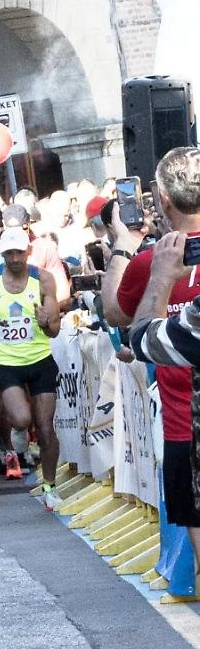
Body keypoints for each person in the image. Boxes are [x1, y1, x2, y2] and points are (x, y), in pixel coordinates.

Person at [106, 147, 200, 560]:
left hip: (186, 430)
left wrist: (124, 249)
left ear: (163, 199)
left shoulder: (155, 260)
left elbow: (131, 329)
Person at [0, 228, 63, 510]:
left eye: (19, 252)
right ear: (2, 254)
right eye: (9, 253)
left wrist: (46, 321)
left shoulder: (43, 279)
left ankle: (49, 485)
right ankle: (19, 438)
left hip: (40, 359)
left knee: (45, 428)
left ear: (28, 251)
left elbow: (54, 330)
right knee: (21, 420)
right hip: (7, 361)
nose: (14, 258)